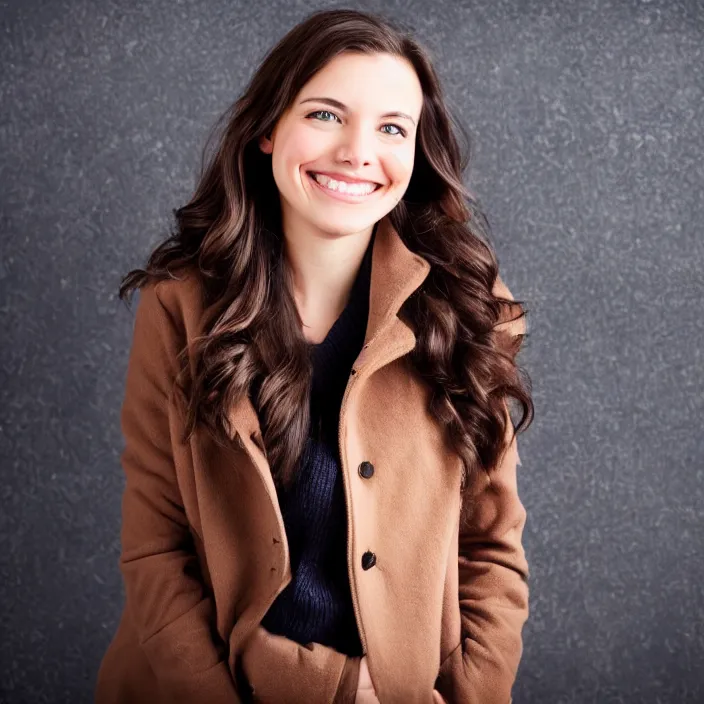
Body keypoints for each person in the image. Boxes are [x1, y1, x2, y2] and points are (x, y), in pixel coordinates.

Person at [95, 8, 534, 704]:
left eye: (392, 128)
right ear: (268, 129)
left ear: (417, 154)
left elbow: (492, 550)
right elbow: (157, 553)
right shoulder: (178, 307)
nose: (359, 151)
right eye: (327, 115)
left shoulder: (471, 311)